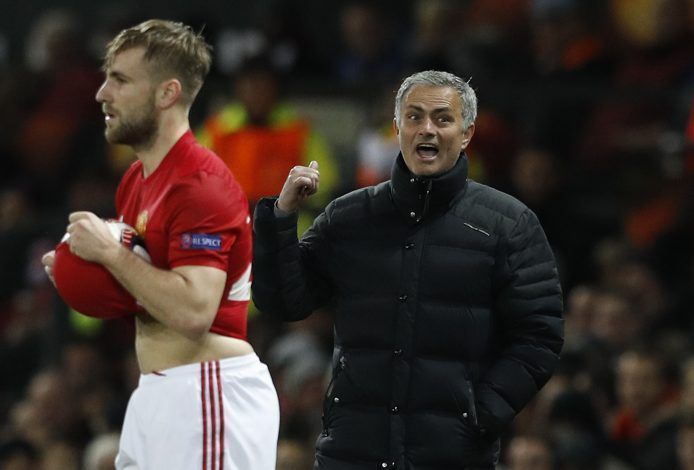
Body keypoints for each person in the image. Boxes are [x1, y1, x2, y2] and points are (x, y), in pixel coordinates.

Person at [252, 70, 564, 469]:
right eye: (414, 117)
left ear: (467, 133)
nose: (427, 129)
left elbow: (540, 336)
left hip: (452, 457)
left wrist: (480, 416)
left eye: (442, 119)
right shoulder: (349, 218)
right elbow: (282, 303)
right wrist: (281, 219)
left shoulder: (508, 223)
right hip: (352, 452)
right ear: (396, 128)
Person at [40, 20, 279, 469]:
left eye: (120, 80)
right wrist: (87, 275)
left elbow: (193, 312)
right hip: (159, 390)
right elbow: (152, 292)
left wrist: (110, 255)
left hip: (208, 392)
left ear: (167, 93)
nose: (101, 93)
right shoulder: (136, 179)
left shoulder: (199, 184)